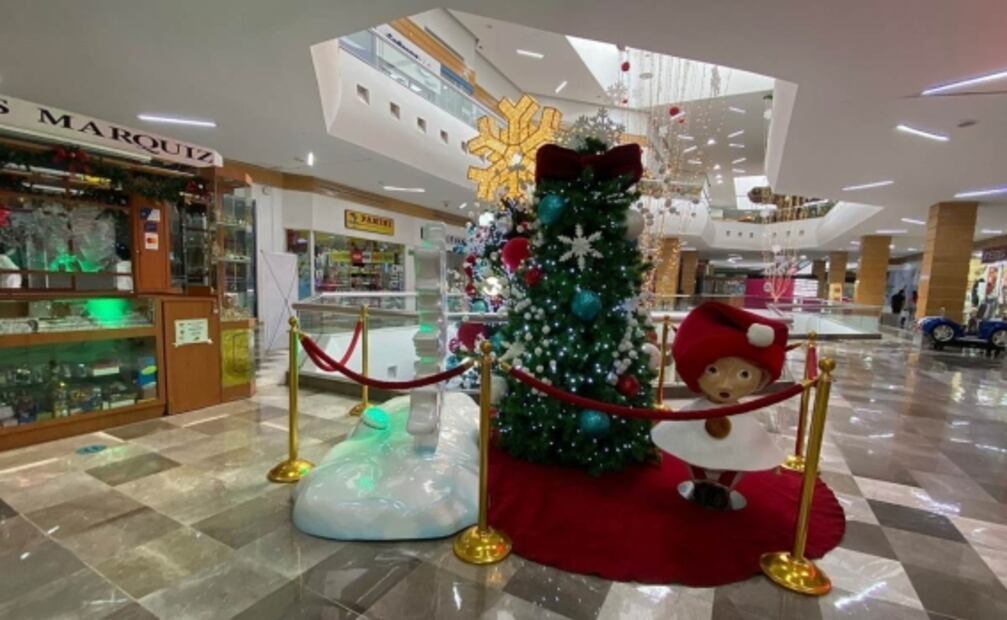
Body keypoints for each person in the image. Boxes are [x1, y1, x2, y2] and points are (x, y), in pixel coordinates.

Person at [651, 302, 787, 511]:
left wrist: (769, 456)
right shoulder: (696, 408)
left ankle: (725, 487)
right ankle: (699, 483)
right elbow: (673, 429)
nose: (725, 384)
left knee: (739, 450)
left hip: (735, 428)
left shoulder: (742, 416)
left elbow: (756, 443)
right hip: (699, 436)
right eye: (713, 370)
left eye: (744, 374)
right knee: (691, 444)